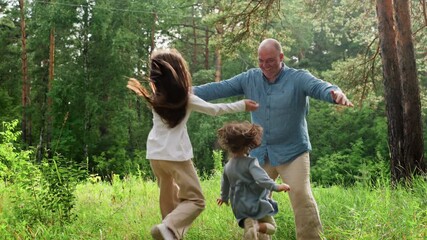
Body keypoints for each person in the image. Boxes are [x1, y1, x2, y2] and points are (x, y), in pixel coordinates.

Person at [193, 38, 353, 240]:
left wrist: (334, 93)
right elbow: (218, 88)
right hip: (260, 152)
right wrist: (185, 91)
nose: (265, 65)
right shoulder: (249, 78)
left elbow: (319, 87)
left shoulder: (297, 78)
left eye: (270, 61)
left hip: (292, 151)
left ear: (281, 58)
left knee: (301, 195)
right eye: (261, 60)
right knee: (252, 200)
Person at [126, 49, 259, 240]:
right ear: (180, 73)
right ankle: (169, 227)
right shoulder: (185, 98)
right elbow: (215, 110)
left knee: (169, 198)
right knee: (196, 200)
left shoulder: (157, 97)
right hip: (176, 156)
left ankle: (168, 231)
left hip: (155, 156)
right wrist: (242, 105)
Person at [216, 121, 291, 240]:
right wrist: (277, 187)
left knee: (252, 232)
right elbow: (262, 179)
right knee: (271, 227)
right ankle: (257, 227)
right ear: (248, 145)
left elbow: (225, 185)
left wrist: (223, 198)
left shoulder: (227, 166)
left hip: (240, 206)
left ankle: (252, 227)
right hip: (256, 202)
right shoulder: (250, 163)